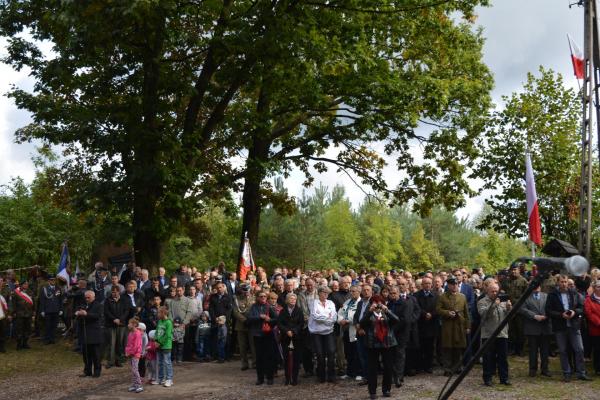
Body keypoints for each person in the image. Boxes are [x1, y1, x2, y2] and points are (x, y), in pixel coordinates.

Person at [546, 274, 591, 382]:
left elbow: (582, 308)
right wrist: (561, 315)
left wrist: (574, 312)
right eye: (562, 282)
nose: (564, 284)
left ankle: (581, 372)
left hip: (574, 325)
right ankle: (567, 373)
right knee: (562, 350)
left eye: (565, 282)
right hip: (560, 327)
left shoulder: (574, 293)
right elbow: (548, 311)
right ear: (558, 282)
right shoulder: (552, 295)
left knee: (579, 349)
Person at [359, 294, 398, 399]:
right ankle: (372, 392)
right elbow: (361, 323)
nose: (378, 306)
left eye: (380, 303)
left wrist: (387, 311)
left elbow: (396, 320)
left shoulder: (386, 314)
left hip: (387, 343)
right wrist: (370, 311)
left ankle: (386, 390)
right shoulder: (369, 314)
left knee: (388, 367)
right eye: (375, 303)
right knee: (372, 369)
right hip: (372, 344)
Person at [478, 282, 511, 386]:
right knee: (488, 358)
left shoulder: (503, 300)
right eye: (492, 291)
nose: (495, 293)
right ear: (487, 291)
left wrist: (509, 308)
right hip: (488, 334)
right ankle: (487, 379)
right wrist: (493, 305)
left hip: (502, 334)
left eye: (496, 291)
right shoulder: (482, 301)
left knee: (503, 358)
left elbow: (509, 316)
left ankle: (504, 378)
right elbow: (483, 314)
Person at [436, 277, 470, 376]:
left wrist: (468, 326)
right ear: (448, 285)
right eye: (452, 284)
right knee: (447, 347)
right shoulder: (442, 297)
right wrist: (447, 313)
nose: (455, 286)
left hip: (459, 325)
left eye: (456, 284)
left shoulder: (462, 296)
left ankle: (457, 367)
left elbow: (466, 313)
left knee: (458, 347)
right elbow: (438, 309)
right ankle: (447, 368)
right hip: (448, 326)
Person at [520, 284, 552, 377]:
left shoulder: (546, 296)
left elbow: (551, 307)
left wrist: (546, 315)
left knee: (545, 350)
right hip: (532, 327)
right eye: (534, 286)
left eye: (538, 286)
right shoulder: (525, 297)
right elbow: (522, 309)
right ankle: (532, 369)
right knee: (533, 350)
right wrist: (534, 316)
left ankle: (545, 369)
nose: (536, 287)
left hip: (545, 326)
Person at [247, 291, 278, 385]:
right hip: (257, 335)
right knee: (259, 357)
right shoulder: (253, 307)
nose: (263, 297)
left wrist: (269, 320)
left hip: (268, 335)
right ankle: (260, 378)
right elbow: (249, 318)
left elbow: (277, 320)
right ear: (257, 297)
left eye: (265, 296)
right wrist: (259, 317)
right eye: (261, 296)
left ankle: (270, 377)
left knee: (269, 357)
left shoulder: (269, 307)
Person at [308, 286, 337, 383]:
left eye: (327, 293)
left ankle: (331, 375)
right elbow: (316, 316)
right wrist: (327, 317)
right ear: (319, 293)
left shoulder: (331, 303)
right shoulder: (314, 303)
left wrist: (326, 318)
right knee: (320, 354)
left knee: (331, 352)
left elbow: (334, 316)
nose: (325, 294)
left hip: (329, 331)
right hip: (316, 332)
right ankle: (321, 376)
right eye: (324, 292)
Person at [75, 290, 104, 378]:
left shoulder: (98, 305)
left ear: (93, 297)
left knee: (96, 354)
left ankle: (97, 371)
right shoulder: (83, 305)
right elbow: (78, 313)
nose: (87, 299)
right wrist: (78, 314)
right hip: (84, 333)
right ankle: (87, 371)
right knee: (86, 354)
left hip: (94, 333)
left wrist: (86, 314)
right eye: (86, 297)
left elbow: (97, 316)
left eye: (89, 297)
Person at [278, 292, 304, 385]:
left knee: (296, 359)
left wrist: (293, 331)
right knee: (286, 359)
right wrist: (286, 331)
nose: (293, 300)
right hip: (285, 337)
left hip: (296, 337)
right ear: (286, 300)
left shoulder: (299, 310)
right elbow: (280, 323)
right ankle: (287, 378)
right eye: (291, 299)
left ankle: (295, 378)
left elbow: (301, 323)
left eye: (294, 299)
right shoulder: (282, 311)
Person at [415, 277, 438, 373]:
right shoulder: (416, 295)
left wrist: (432, 314)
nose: (427, 285)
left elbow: (438, 307)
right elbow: (416, 308)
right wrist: (424, 314)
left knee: (430, 346)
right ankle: (420, 365)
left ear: (431, 284)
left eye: (429, 283)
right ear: (422, 285)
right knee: (420, 346)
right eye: (425, 283)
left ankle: (429, 366)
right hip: (420, 324)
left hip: (432, 324)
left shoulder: (436, 295)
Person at [338, 284, 360, 380]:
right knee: (348, 352)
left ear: (359, 292)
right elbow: (340, 312)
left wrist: (347, 320)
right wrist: (341, 320)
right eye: (351, 291)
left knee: (357, 353)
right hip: (346, 330)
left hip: (355, 330)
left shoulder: (361, 302)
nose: (352, 293)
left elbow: (358, 315)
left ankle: (359, 373)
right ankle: (350, 372)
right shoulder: (347, 302)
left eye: (354, 291)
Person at [354, 284, 373, 384]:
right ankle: (366, 377)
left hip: (368, 333)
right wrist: (357, 325)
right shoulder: (360, 303)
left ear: (371, 291)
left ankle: (370, 377)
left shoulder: (374, 303)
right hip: (359, 332)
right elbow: (356, 316)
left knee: (369, 357)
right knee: (362, 356)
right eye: (364, 290)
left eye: (368, 290)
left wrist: (362, 327)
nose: (366, 292)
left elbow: (373, 319)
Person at [233, 283, 255, 370]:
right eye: (244, 290)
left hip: (252, 324)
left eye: (247, 290)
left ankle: (255, 362)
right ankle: (244, 363)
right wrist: (244, 320)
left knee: (253, 345)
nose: (246, 292)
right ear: (241, 290)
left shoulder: (254, 298)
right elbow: (235, 312)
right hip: (241, 325)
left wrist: (251, 320)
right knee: (242, 346)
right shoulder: (237, 300)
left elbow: (256, 310)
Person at [39, 274, 63, 345]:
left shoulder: (58, 288)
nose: (53, 281)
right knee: (47, 325)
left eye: (54, 280)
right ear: (48, 280)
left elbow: (60, 300)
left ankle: (52, 339)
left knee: (54, 325)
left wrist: (61, 309)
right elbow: (42, 300)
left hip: (56, 310)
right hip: (47, 310)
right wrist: (42, 310)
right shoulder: (44, 288)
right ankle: (47, 339)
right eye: (51, 280)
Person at [584, 279, 600, 375]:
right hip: (596, 329)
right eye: (598, 287)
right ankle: (598, 369)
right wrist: (599, 322)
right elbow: (589, 314)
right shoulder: (589, 300)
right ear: (594, 288)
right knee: (598, 350)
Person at [155, 306, 174, 387]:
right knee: (160, 363)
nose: (157, 314)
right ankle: (160, 379)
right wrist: (156, 341)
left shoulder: (168, 323)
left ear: (163, 313)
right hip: (158, 345)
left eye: (159, 312)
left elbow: (167, 335)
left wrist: (160, 342)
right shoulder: (159, 321)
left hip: (166, 346)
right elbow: (156, 332)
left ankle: (169, 379)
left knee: (167, 362)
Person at [125, 318, 144, 393]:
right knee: (133, 370)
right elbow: (128, 344)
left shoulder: (137, 333)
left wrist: (130, 352)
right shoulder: (130, 333)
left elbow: (136, 346)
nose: (128, 325)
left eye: (129, 323)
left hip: (136, 354)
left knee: (135, 370)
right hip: (131, 354)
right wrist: (127, 352)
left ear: (134, 325)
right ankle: (134, 385)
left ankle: (139, 385)